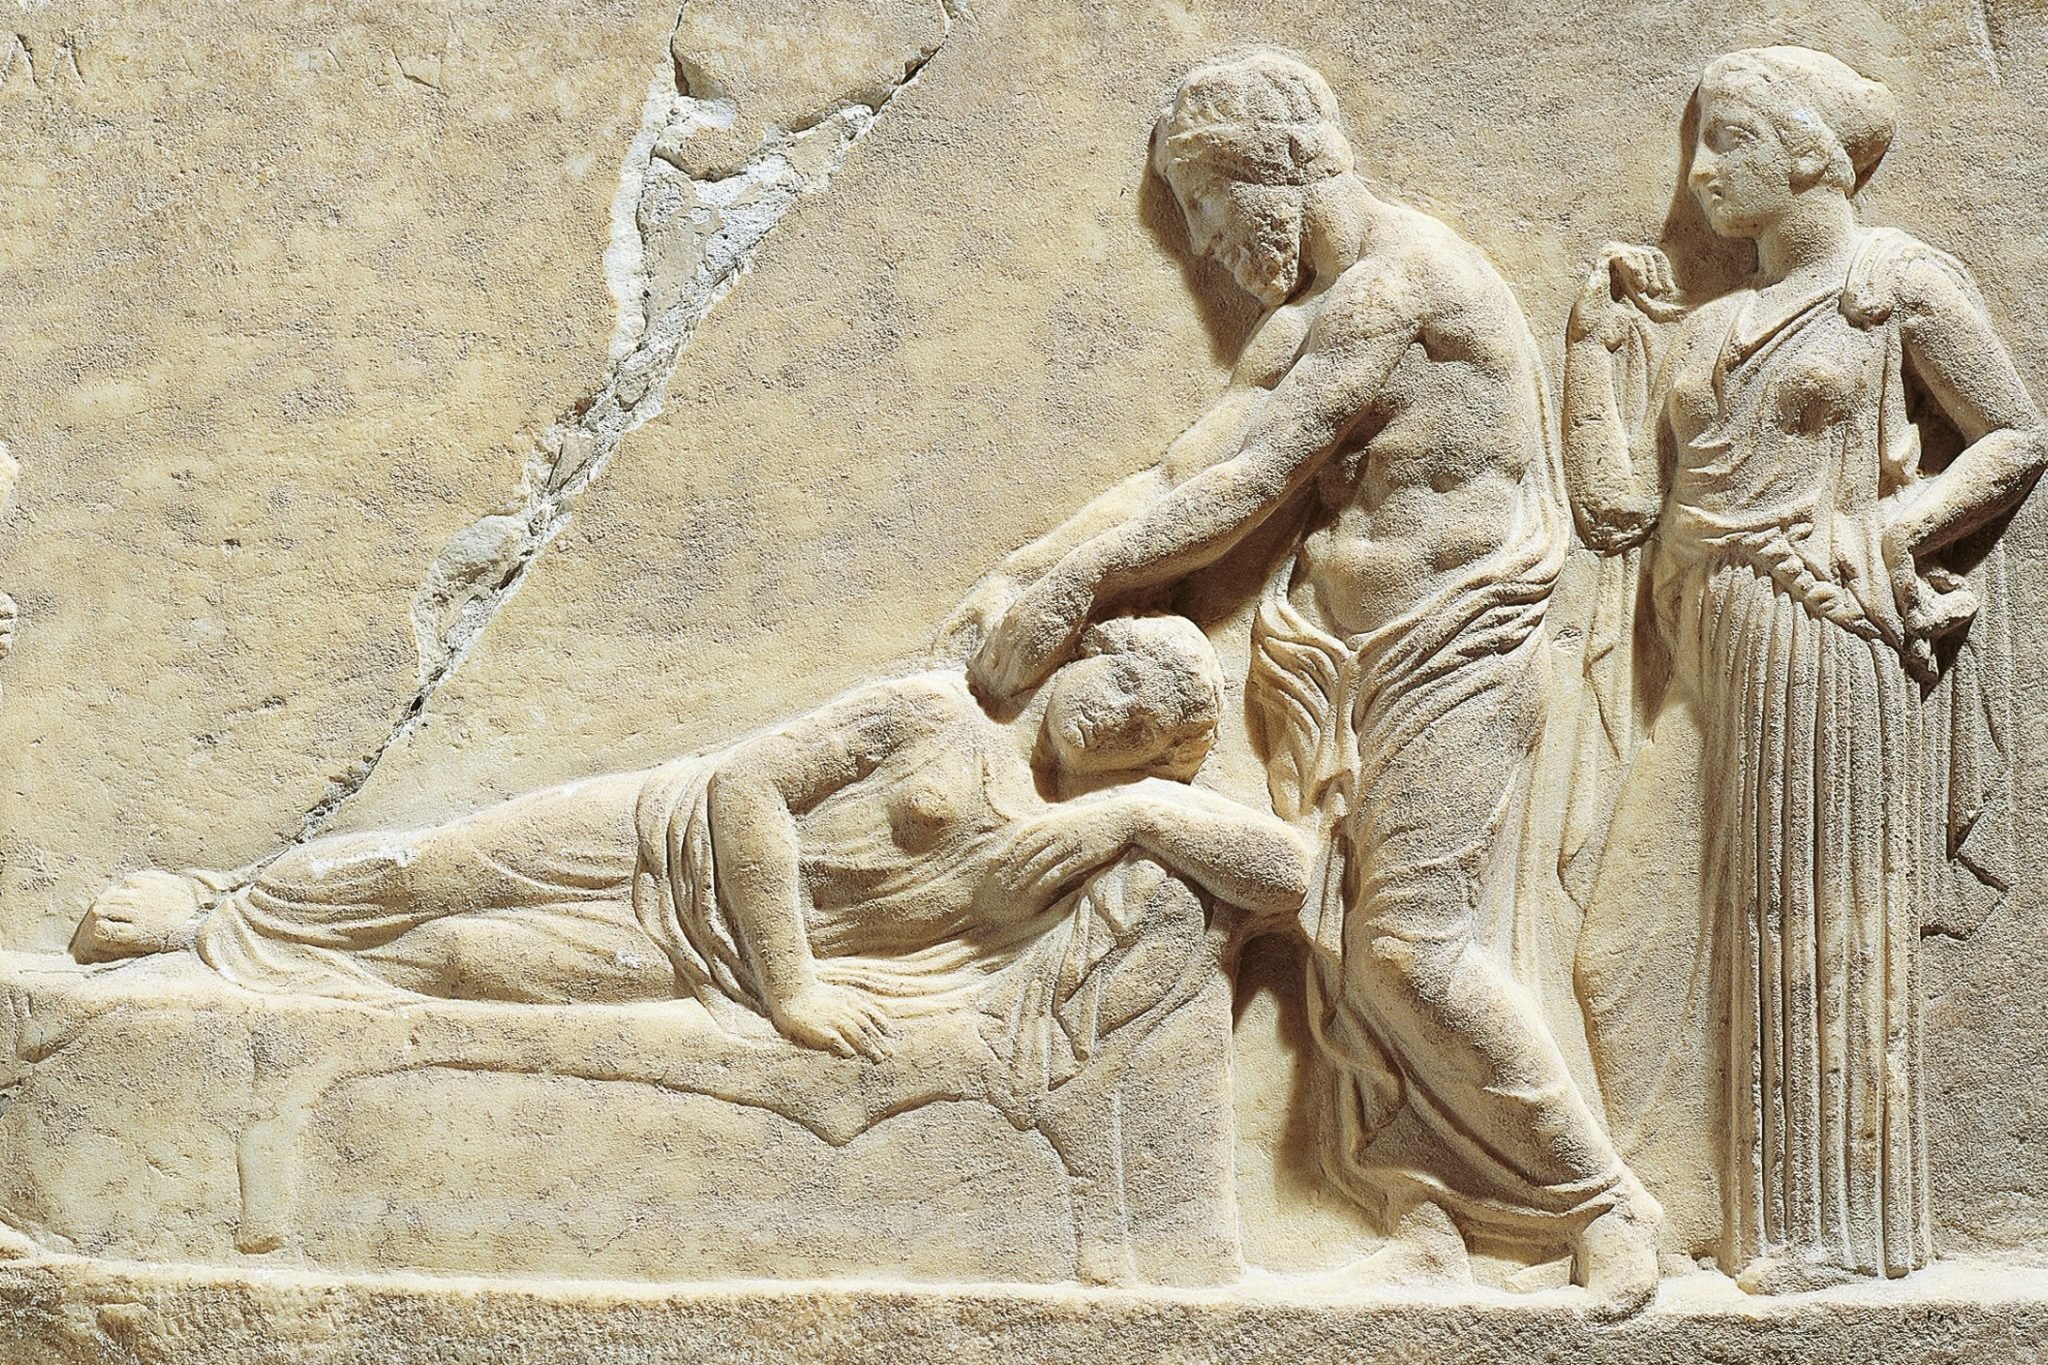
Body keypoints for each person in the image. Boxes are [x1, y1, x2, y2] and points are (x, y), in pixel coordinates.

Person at [959, 49, 1661, 1313]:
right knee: (1340, 958)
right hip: (1332, 662)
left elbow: (1255, 480)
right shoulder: (1315, 315)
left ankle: (1602, 1203)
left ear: (1276, 165)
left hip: (1449, 647)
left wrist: (1078, 585)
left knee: (1407, 947)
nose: (1204, 249)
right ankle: (1432, 1217)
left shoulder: (1405, 285)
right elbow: (1183, 468)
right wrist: (1021, 570)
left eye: (1207, 207)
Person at [1562, 46, 2048, 1291]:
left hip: (1818, 632)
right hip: (1700, 642)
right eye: (1695, 143)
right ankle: (1658, 1203)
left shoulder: (1887, 288)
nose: (1697, 172)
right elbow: (1618, 510)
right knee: (1617, 952)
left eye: (1726, 139)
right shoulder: (1702, 325)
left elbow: (2012, 433)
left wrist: (1891, 526)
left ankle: (1820, 1234)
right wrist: (1591, 348)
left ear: (1811, 154)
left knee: (1812, 929)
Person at [74, 615, 1310, 1063]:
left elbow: (1287, 872)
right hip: (664, 832)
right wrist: (795, 988)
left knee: (459, 961)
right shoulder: (933, 713)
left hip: (698, 959)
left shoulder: (1068, 843)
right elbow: (749, 788)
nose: (1119, 714)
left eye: (1148, 730)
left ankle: (238, 982)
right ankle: (218, 911)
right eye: (1123, 678)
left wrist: (1141, 812)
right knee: (430, 865)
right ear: (1086, 655)